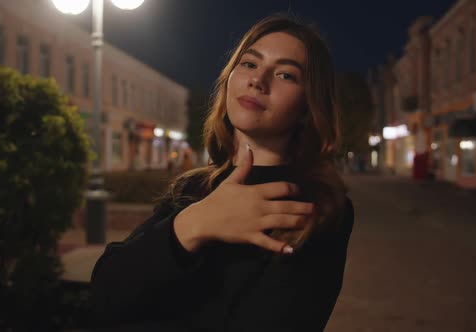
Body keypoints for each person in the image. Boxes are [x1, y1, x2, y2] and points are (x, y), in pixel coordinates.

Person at [89, 13, 354, 331]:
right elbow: (105, 294)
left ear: (307, 107)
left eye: (285, 75)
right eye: (249, 64)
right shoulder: (194, 186)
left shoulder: (316, 205)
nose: (258, 80)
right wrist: (194, 224)